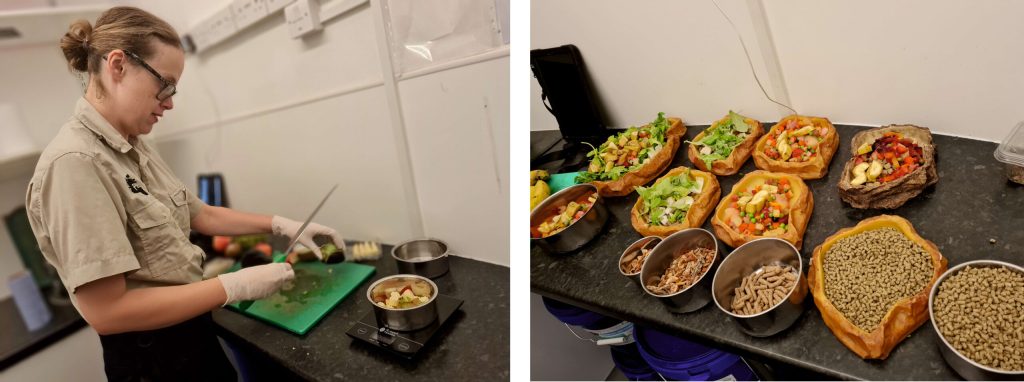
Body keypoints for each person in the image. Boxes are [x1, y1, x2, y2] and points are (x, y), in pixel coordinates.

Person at [24, 6, 344, 381]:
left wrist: (282, 225)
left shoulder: (132, 143)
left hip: (190, 335)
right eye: (165, 85)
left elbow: (201, 214)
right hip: (152, 359)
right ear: (117, 66)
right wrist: (232, 285)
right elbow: (108, 312)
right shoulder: (74, 164)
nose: (170, 102)